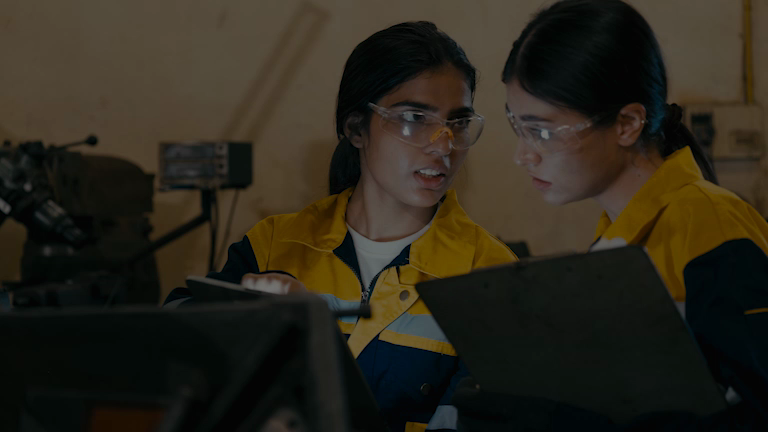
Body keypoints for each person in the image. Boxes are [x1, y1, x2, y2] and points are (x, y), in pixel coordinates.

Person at [165, 21, 517, 432]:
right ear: (356, 129)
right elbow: (173, 339)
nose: (443, 145)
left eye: (457, 123)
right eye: (414, 118)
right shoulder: (276, 243)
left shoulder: (491, 274)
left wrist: (312, 335)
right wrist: (254, 319)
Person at [452, 1, 768, 430]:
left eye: (542, 132)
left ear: (627, 123)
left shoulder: (711, 224)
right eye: (518, 127)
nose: (522, 155)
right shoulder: (614, 241)